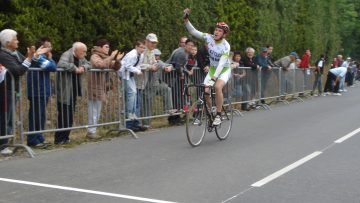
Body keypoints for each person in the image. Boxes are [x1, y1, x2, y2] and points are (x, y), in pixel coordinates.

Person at [184, 8, 231, 126]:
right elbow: (193, 32)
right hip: (213, 70)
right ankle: (211, 111)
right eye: (216, 29)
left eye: (219, 31)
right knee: (206, 91)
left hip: (223, 70)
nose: (216, 32)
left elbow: (221, 63)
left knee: (218, 87)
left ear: (224, 34)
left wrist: (215, 77)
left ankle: (219, 115)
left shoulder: (226, 46)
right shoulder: (208, 38)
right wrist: (186, 19)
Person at [0, 29, 43, 155]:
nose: (18, 41)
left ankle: (6, 142)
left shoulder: (15, 53)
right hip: (5, 90)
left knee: (10, 118)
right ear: (8, 42)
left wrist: (35, 55)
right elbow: (19, 70)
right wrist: (29, 58)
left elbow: (28, 63)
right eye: (15, 39)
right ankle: (3, 145)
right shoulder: (3, 55)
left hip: (14, 89)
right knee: (5, 117)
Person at [55, 42, 90, 145]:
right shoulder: (67, 54)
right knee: (64, 115)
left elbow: (89, 63)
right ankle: (59, 139)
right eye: (83, 51)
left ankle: (66, 137)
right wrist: (74, 68)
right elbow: (61, 64)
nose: (85, 54)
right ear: (77, 50)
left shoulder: (80, 57)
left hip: (73, 90)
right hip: (65, 91)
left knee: (70, 115)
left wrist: (83, 67)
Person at [87, 39, 123, 139]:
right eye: (106, 47)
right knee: (93, 111)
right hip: (94, 87)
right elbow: (100, 65)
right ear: (100, 47)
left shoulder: (105, 57)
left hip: (101, 88)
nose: (108, 49)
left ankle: (92, 131)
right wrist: (111, 57)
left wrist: (117, 60)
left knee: (97, 111)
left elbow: (115, 67)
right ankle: (91, 132)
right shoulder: (95, 56)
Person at [26, 37, 57, 148]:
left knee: (41, 116)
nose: (50, 49)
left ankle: (39, 137)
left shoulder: (42, 57)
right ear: (42, 47)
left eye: (50, 46)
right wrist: (51, 59)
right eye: (47, 46)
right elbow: (52, 67)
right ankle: (33, 139)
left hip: (43, 91)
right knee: (36, 116)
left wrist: (49, 58)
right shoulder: (38, 57)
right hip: (37, 91)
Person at [166, 39, 195, 125]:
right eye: (189, 45)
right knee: (176, 97)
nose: (190, 47)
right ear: (185, 45)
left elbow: (183, 66)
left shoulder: (186, 53)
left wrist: (186, 71)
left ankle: (176, 117)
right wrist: (182, 74)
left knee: (178, 96)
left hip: (176, 77)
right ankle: (173, 118)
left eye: (192, 45)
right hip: (172, 77)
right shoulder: (181, 53)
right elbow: (178, 66)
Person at [119, 40, 145, 132]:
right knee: (132, 93)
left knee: (134, 93)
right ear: (136, 47)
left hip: (130, 75)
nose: (142, 49)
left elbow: (138, 65)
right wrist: (137, 71)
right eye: (141, 47)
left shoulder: (141, 55)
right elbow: (127, 66)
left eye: (143, 48)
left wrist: (138, 70)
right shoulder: (132, 54)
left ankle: (133, 113)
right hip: (125, 75)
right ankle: (130, 113)